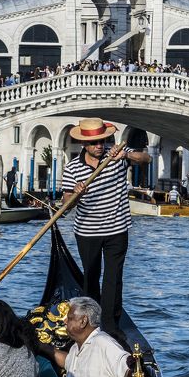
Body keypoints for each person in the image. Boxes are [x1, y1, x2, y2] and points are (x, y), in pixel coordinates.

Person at [61, 118, 151, 335]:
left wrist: (127, 155)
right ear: (84, 145)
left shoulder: (117, 153)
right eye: (94, 143)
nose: (100, 146)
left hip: (117, 229)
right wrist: (76, 193)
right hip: (87, 231)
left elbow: (145, 158)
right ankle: (90, 322)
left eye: (102, 140)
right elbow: (65, 206)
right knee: (91, 278)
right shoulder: (72, 169)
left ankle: (110, 326)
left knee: (113, 278)